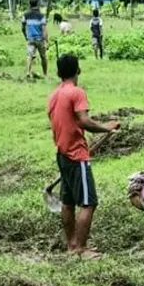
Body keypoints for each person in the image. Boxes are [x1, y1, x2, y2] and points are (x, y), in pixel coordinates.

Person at [47, 54, 119, 257]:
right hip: (76, 155)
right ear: (78, 70)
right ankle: (80, 248)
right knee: (88, 203)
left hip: (62, 153)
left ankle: (71, 245)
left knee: (68, 202)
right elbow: (84, 121)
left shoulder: (54, 95)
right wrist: (107, 128)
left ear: (58, 73)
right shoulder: (76, 92)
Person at [22, 0, 48, 79]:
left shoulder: (26, 15)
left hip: (31, 39)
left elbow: (22, 27)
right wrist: (46, 40)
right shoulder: (41, 16)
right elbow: (44, 29)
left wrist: (26, 36)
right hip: (40, 39)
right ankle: (45, 74)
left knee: (29, 56)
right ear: (37, 4)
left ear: (30, 4)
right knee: (43, 57)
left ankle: (28, 72)